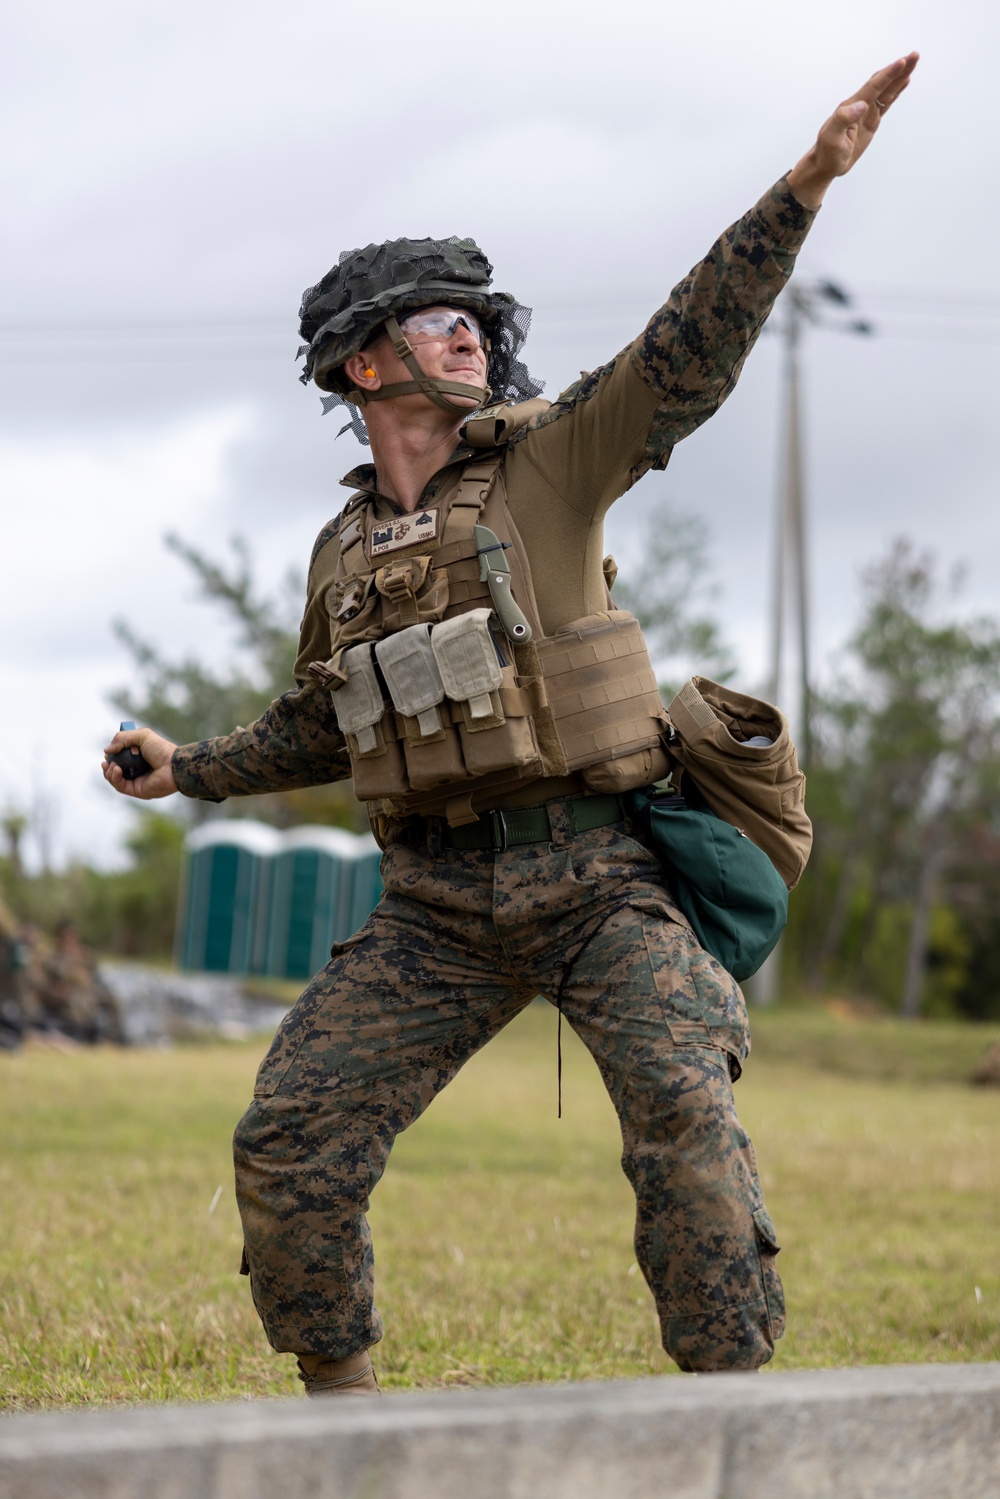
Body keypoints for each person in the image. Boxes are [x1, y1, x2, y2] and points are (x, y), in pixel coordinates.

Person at [104, 54, 918, 1396]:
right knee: (293, 1137)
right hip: (435, 904)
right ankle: (349, 1440)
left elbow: (687, 347)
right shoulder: (345, 549)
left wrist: (806, 184)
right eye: (436, 319)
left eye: (477, 318)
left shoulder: (552, 460)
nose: (470, 333)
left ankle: (734, 1431)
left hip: (601, 879)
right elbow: (331, 725)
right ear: (365, 361)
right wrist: (189, 769)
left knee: (684, 1116)